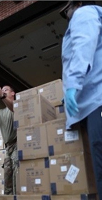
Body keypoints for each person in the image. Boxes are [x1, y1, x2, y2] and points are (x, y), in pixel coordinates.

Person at [60, 1, 102, 199]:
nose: (66, 15)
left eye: (66, 10)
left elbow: (83, 46)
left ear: (76, 4)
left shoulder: (84, 13)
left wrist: (72, 86)